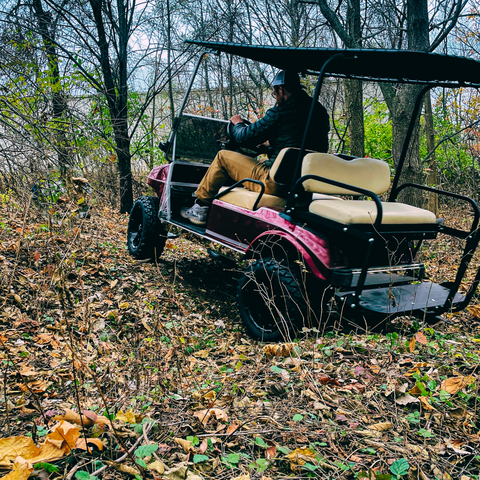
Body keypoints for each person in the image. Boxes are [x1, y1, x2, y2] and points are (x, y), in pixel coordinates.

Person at [180, 70, 330, 225]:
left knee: (223, 157)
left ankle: (201, 207)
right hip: (302, 185)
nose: (276, 97)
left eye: (274, 93)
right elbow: (298, 143)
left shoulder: (281, 112)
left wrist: (237, 123)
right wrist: (268, 147)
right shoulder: (319, 112)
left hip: (275, 183)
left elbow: (244, 136)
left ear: (281, 89)